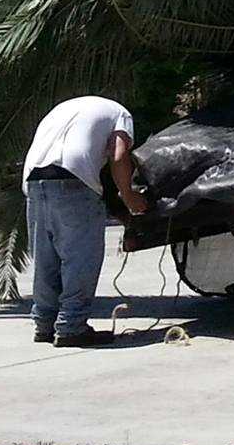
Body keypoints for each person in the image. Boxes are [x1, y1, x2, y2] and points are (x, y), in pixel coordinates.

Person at [21, 94, 146, 347]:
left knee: (46, 259)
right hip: (74, 184)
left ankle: (44, 324)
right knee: (81, 259)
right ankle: (71, 327)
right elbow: (119, 155)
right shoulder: (120, 113)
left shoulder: (62, 109)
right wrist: (128, 194)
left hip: (34, 183)